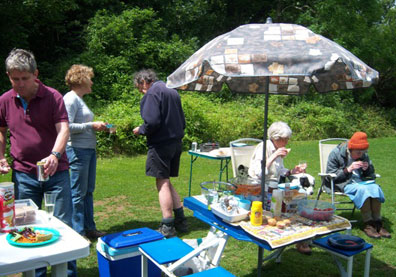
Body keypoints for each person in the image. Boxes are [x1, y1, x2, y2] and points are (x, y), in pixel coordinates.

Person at [0, 48, 76, 276]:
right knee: (25, 227)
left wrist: (55, 155)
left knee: (63, 226)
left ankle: (67, 272)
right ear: (8, 76)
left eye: (25, 78)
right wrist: (1, 156)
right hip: (23, 174)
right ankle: (35, 272)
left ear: (36, 74)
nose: (20, 84)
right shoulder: (4, 100)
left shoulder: (53, 96)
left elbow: (64, 129)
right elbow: (1, 131)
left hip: (57, 172)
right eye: (15, 79)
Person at [133, 69, 187, 238]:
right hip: (176, 143)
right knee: (166, 180)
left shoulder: (152, 93)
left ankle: (168, 224)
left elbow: (152, 121)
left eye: (140, 88)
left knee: (161, 182)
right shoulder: (172, 90)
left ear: (144, 81)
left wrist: (140, 129)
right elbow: (182, 120)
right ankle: (181, 219)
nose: (141, 92)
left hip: (161, 144)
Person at [248, 121, 313, 254]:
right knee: (292, 202)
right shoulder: (264, 148)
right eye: (285, 139)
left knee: (300, 195)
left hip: (275, 187)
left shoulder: (277, 149)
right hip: (260, 188)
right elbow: (259, 174)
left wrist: (292, 172)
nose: (287, 142)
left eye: (287, 139)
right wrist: (274, 156)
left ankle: (301, 238)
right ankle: (298, 240)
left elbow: (280, 170)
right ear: (275, 138)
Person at [64, 64, 108, 240]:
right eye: (90, 78)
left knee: (88, 191)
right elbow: (65, 126)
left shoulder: (79, 99)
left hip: (88, 150)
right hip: (77, 151)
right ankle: (78, 232)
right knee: (78, 194)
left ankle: (89, 228)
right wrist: (91, 125)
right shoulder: (70, 99)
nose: (92, 82)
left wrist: (97, 127)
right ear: (81, 79)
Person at [325, 131, 390, 238]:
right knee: (363, 190)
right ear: (350, 149)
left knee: (375, 188)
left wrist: (367, 168)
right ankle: (369, 224)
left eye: (363, 152)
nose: (361, 155)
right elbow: (330, 175)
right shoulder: (336, 154)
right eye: (358, 153)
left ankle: (378, 223)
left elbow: (371, 173)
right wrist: (348, 169)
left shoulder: (363, 155)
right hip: (344, 183)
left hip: (361, 182)